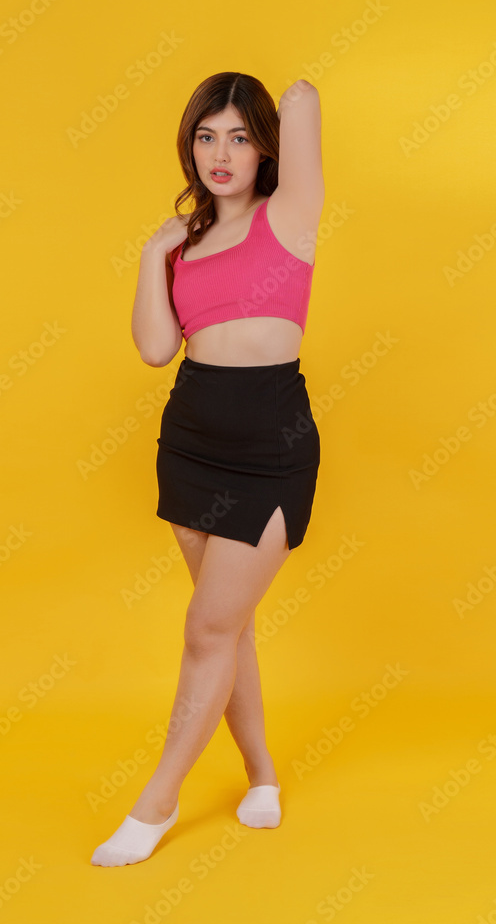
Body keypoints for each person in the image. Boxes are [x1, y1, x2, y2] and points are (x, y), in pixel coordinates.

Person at [91, 72, 324, 867]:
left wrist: (288, 97)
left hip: (270, 449)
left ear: (265, 148)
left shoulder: (288, 217)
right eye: (204, 136)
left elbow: (300, 109)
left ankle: (156, 803)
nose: (220, 153)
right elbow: (157, 350)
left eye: (237, 136)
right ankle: (260, 777)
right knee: (227, 629)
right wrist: (154, 250)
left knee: (207, 627)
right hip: (189, 443)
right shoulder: (183, 245)